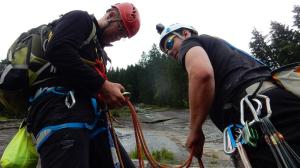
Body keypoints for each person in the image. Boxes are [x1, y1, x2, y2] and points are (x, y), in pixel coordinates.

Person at [156, 23, 300, 167]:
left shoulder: (190, 42)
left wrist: (195, 130)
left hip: (259, 112)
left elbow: (201, 74)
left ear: (186, 34)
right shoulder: (225, 52)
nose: (168, 52)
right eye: (164, 52)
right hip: (275, 104)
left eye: (169, 43)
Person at [26, 2, 140, 168]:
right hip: (59, 111)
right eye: (121, 29)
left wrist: (106, 98)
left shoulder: (97, 49)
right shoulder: (80, 19)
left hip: (89, 116)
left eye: (124, 36)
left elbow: (85, 80)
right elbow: (57, 49)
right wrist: (103, 85)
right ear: (110, 16)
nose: (119, 37)